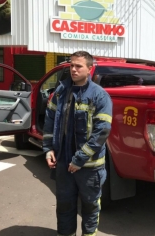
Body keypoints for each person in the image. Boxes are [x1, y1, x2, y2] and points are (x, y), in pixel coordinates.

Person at [42, 51, 113, 236]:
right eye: (71, 65)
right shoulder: (61, 91)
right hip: (63, 164)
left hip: (89, 168)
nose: (73, 69)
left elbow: (101, 132)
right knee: (64, 207)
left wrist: (79, 159)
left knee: (90, 209)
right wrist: (48, 149)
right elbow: (50, 120)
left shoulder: (100, 96)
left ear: (90, 69)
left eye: (78, 66)